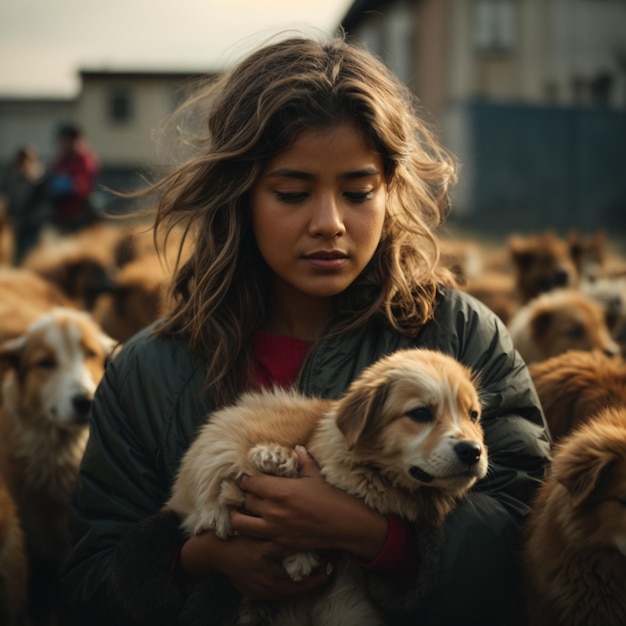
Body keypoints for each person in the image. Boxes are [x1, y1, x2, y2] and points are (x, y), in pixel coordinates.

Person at [60, 34, 551, 625]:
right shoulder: (148, 371)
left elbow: (529, 539)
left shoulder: (462, 337)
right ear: (238, 195)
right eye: (292, 193)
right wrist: (200, 558)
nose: (329, 223)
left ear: (391, 189)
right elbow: (88, 582)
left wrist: (373, 536)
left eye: (357, 192)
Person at [48, 122, 100, 233]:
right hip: (62, 213)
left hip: (79, 213)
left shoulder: (84, 158)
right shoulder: (62, 159)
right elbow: (53, 177)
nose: (63, 143)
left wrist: (68, 185)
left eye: (66, 140)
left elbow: (83, 184)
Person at [0, 145, 46, 263]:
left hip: (32, 226)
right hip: (15, 224)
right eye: (22, 159)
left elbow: (44, 203)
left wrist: (34, 219)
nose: (24, 162)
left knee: (30, 254)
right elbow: (6, 198)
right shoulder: (12, 178)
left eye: (27, 159)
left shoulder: (39, 180)